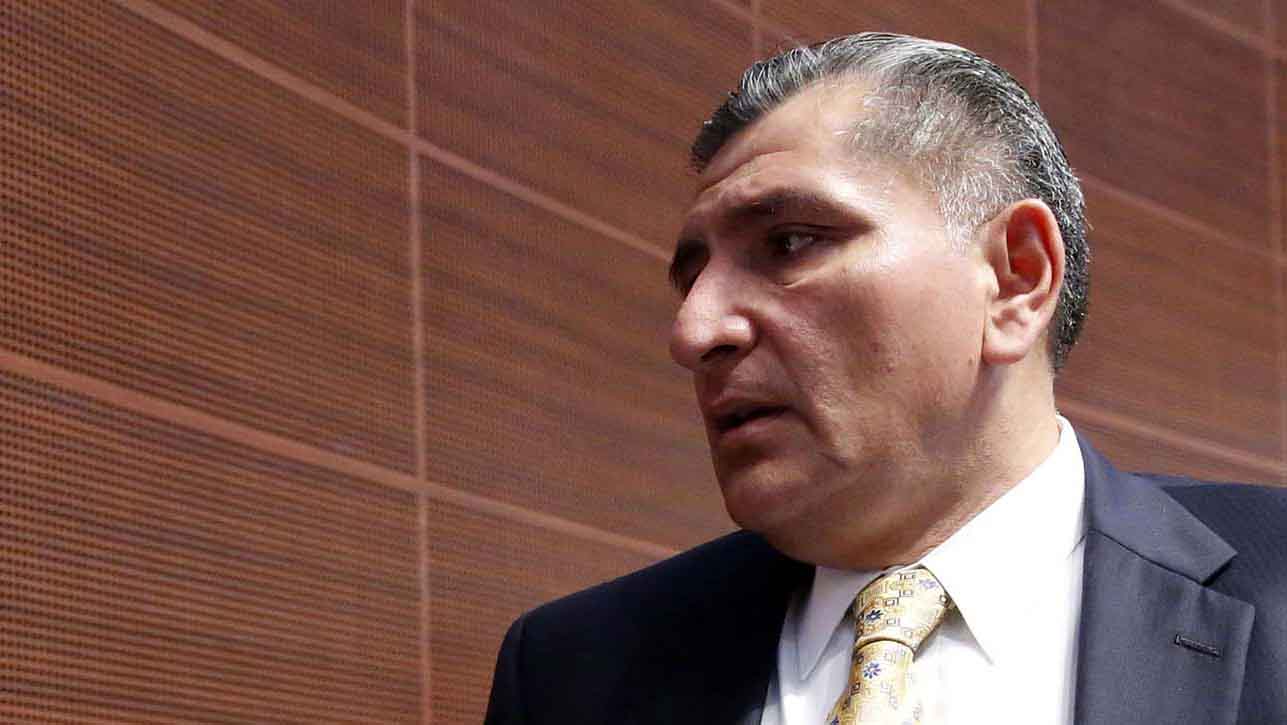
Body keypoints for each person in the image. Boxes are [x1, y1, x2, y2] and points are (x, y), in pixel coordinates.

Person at [484, 33, 1287, 724]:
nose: (692, 332)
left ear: (1015, 279)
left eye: (789, 242)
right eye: (690, 279)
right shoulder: (570, 672)